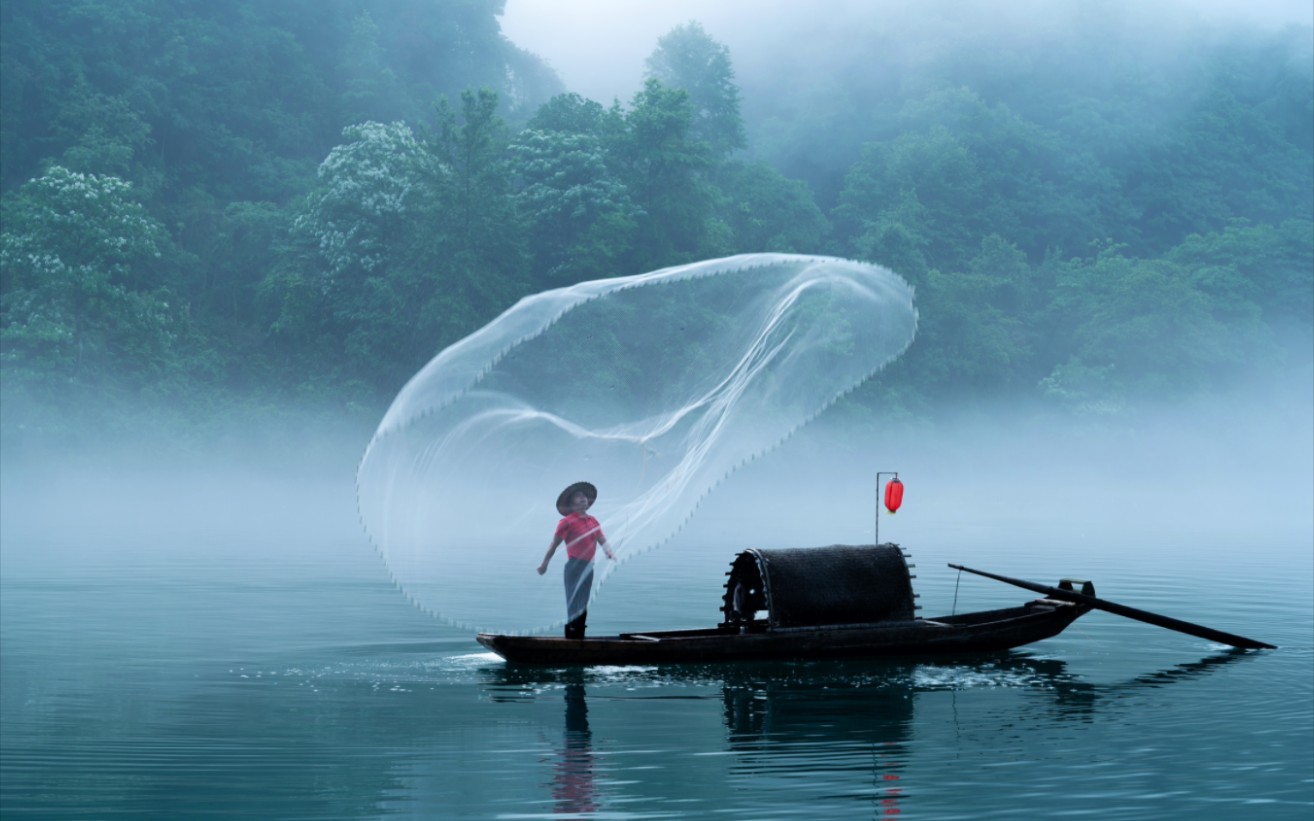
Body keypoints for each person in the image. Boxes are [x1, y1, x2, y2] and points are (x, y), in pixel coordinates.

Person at [538, 481, 615, 638]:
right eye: (578, 497)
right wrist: (544, 564)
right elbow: (554, 544)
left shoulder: (593, 521)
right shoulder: (566, 522)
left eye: (584, 497)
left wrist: (609, 552)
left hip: (588, 566)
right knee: (573, 602)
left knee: (583, 603)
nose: (583, 499)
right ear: (571, 502)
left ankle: (579, 636)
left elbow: (602, 539)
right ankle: (571, 636)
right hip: (574, 566)